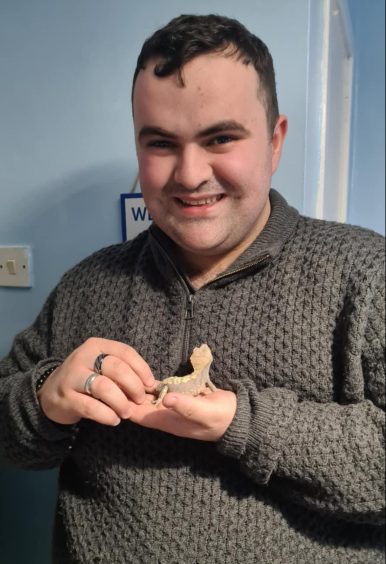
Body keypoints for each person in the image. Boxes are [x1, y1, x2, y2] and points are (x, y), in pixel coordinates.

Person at [0, 13, 384, 564]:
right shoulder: (86, 285)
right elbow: (5, 432)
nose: (189, 173)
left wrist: (242, 423)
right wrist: (44, 400)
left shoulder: (367, 273)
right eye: (160, 143)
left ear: (275, 141)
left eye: (220, 137)